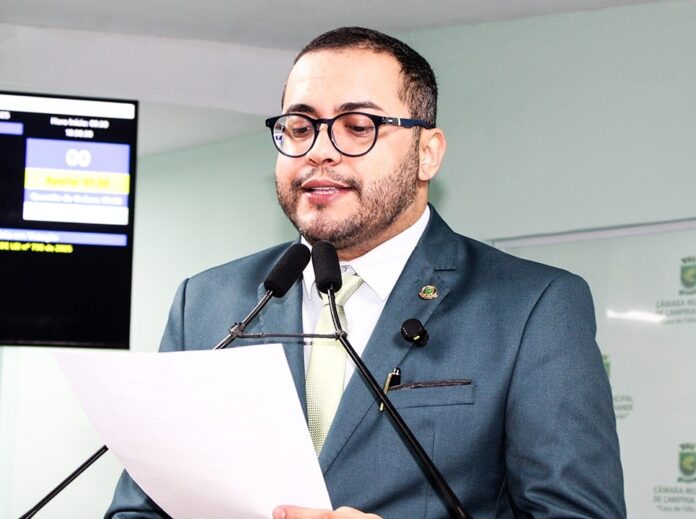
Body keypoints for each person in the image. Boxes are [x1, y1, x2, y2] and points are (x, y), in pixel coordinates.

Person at [107, 27, 625, 518]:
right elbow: (141, 509)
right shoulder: (206, 302)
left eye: (358, 127)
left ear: (427, 154)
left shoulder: (533, 307)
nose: (319, 151)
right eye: (299, 127)